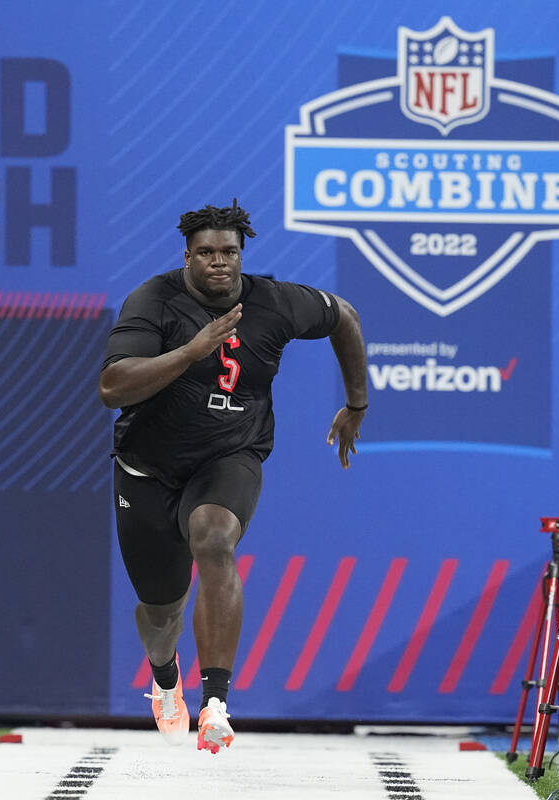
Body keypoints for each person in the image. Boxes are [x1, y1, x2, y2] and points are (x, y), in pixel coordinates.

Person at [98, 199, 367, 753]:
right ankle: (165, 678)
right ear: (187, 257)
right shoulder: (154, 300)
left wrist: (356, 403)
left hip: (229, 456)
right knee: (159, 612)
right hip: (147, 470)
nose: (218, 263)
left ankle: (214, 702)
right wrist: (191, 351)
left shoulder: (273, 300)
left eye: (229, 252)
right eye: (206, 253)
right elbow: (113, 387)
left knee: (215, 538)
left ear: (241, 254)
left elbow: (344, 316)